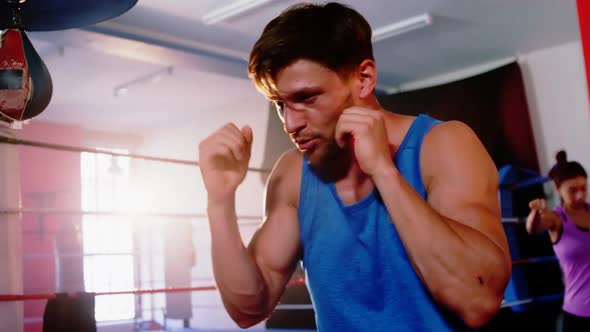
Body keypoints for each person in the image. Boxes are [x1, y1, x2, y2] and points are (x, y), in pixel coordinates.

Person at [198, 3, 511, 331]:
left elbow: (478, 300)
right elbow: (249, 309)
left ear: (363, 79)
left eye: (307, 98)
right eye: (280, 104)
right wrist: (219, 202)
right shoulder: (293, 175)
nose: (290, 123)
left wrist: (383, 171)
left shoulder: (443, 145)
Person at [526, 150, 589, 331]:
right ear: (557, 189)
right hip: (578, 314)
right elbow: (532, 228)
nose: (579, 195)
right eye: (572, 190)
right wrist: (535, 214)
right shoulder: (556, 218)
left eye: (584, 188)